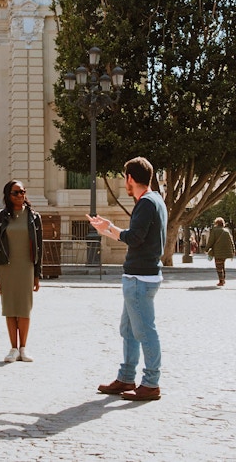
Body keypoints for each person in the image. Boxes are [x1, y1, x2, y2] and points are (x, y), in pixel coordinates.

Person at [90, 156, 167, 402]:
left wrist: (109, 229)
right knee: (129, 330)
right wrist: (110, 227)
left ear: (130, 178)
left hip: (140, 278)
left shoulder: (146, 202)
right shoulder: (156, 200)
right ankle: (126, 377)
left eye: (125, 177)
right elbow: (138, 236)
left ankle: (151, 383)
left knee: (144, 330)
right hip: (142, 275)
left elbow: (134, 238)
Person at [0, 180, 42, 363]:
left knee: (25, 308)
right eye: (16, 193)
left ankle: (23, 348)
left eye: (23, 192)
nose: (21, 196)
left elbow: (39, 247)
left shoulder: (34, 217)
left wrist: (37, 274)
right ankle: (13, 348)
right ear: (8, 196)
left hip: (26, 267)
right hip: (6, 267)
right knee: (10, 308)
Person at [206, 217, 235, 287]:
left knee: (219, 267)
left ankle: (221, 281)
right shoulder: (227, 231)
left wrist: (206, 249)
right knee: (222, 266)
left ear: (216, 223)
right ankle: (223, 279)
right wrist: (233, 250)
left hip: (218, 252)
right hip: (226, 252)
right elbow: (231, 242)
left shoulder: (214, 231)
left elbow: (211, 241)